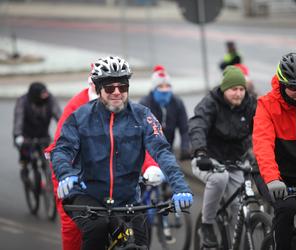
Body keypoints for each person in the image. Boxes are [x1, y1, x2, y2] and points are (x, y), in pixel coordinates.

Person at [51, 56, 193, 250]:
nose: (117, 92)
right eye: (110, 88)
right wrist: (65, 173)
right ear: (99, 89)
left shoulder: (142, 115)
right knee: (97, 230)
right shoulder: (80, 117)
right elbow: (62, 150)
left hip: (127, 197)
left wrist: (180, 186)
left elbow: (162, 151)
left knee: (140, 243)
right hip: (87, 194)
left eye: (123, 87)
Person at [189, 65, 257, 248]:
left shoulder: (250, 105)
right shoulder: (210, 103)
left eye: (241, 89)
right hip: (207, 158)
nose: (238, 93)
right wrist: (200, 151)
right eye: (234, 89)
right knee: (220, 178)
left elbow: (261, 130)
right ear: (224, 89)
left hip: (235, 161)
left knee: (238, 207)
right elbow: (198, 125)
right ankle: (207, 224)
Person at [253, 52, 296, 250]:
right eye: (293, 87)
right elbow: (263, 143)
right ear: (281, 83)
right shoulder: (267, 105)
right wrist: (273, 179)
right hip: (273, 174)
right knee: (287, 208)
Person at [140, 65, 190, 160]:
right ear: (154, 88)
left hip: (168, 150)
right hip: (148, 153)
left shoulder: (177, 103)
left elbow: (185, 128)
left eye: (167, 86)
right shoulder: (144, 104)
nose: (164, 89)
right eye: (160, 86)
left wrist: (185, 148)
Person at [13, 82, 61, 182]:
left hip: (43, 135)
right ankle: (24, 168)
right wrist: (18, 135)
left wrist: (66, 130)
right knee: (25, 154)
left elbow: (60, 117)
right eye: (42, 94)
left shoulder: (50, 99)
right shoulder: (23, 101)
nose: (45, 96)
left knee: (47, 156)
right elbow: (18, 119)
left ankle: (47, 175)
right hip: (25, 136)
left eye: (46, 94)